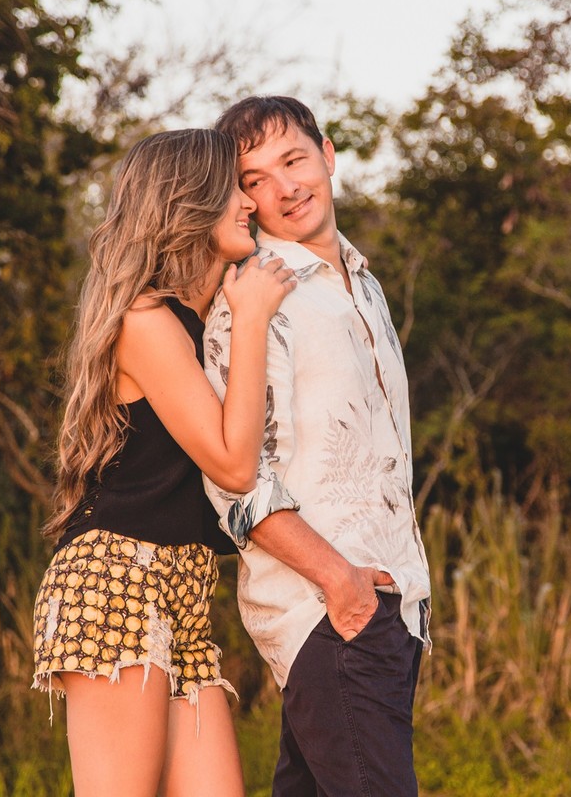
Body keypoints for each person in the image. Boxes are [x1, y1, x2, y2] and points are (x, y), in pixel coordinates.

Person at [30, 128, 296, 797]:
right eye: (235, 187)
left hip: (184, 590)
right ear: (190, 202)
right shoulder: (147, 321)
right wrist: (256, 313)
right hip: (117, 577)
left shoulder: (197, 325)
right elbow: (235, 467)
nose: (249, 202)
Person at [202, 96, 432, 796]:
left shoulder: (364, 285)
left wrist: (387, 599)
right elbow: (235, 478)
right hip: (329, 614)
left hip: (387, 605)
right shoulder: (252, 300)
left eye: (294, 160)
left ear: (327, 156)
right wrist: (342, 584)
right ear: (242, 200)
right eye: (256, 179)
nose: (285, 187)